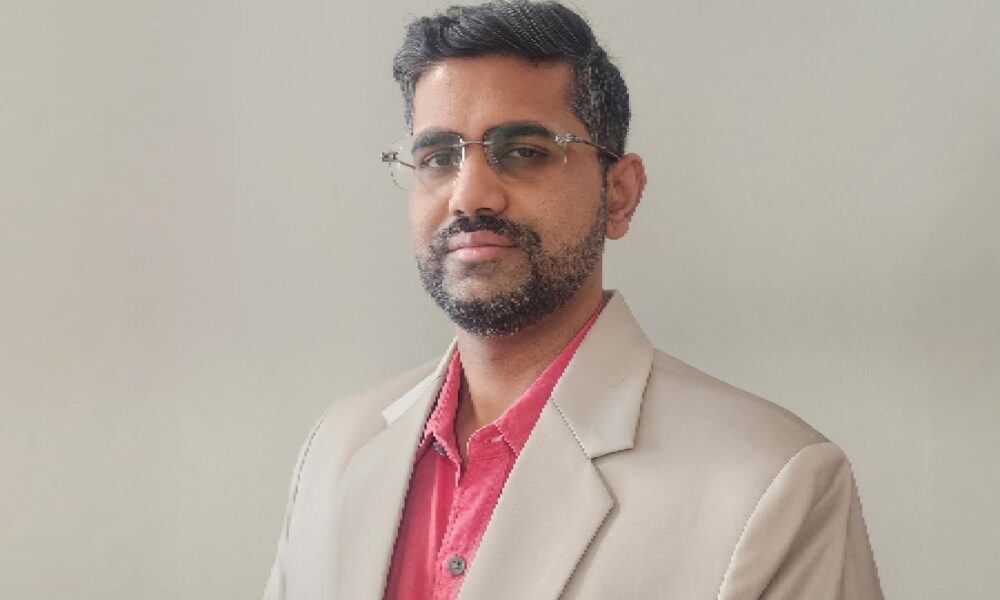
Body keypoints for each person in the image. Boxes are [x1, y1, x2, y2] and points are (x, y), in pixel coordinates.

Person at [264, 1, 883, 598]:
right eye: (436, 157)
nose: (468, 195)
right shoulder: (336, 446)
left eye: (526, 151)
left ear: (619, 194)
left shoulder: (773, 480)